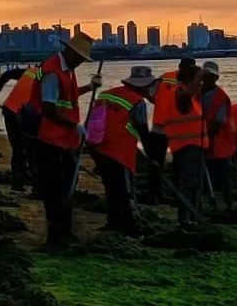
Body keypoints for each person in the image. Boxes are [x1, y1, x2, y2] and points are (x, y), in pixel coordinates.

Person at [31, 33, 100, 247]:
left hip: (66, 140)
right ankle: (55, 234)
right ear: (69, 51)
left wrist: (90, 87)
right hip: (50, 139)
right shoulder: (52, 71)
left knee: (69, 185)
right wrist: (74, 125)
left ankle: (66, 230)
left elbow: (68, 97)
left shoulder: (67, 71)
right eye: (78, 57)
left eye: (82, 59)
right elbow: (50, 109)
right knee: (55, 188)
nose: (80, 62)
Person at [89, 66, 157, 236]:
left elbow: (94, 121)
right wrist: (153, 158)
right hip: (119, 151)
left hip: (99, 148)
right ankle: (132, 225)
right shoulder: (137, 102)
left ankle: (113, 222)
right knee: (126, 190)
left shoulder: (106, 94)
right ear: (143, 86)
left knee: (111, 187)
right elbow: (143, 132)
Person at [147, 57, 196, 203]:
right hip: (174, 128)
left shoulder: (164, 78)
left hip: (161, 126)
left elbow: (150, 93)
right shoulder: (189, 82)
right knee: (175, 162)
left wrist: (160, 104)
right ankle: (169, 192)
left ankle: (156, 194)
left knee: (157, 162)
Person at [0, 64, 41, 191]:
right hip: (23, 115)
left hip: (11, 111)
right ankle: (36, 186)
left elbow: (6, 75)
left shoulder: (30, 71)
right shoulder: (49, 78)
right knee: (33, 151)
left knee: (18, 150)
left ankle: (18, 184)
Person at [165, 64, 204, 227]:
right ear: (189, 80)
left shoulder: (193, 98)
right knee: (187, 183)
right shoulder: (181, 93)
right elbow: (183, 98)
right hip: (185, 147)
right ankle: (184, 219)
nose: (201, 84)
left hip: (194, 147)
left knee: (194, 183)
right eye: (198, 80)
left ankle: (192, 216)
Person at [200, 61, 236, 210]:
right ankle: (208, 202)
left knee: (222, 176)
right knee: (203, 175)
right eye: (205, 76)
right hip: (202, 141)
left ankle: (228, 203)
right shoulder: (197, 93)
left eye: (210, 76)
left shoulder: (221, 97)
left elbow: (217, 124)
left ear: (215, 78)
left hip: (219, 144)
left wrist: (205, 142)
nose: (207, 79)